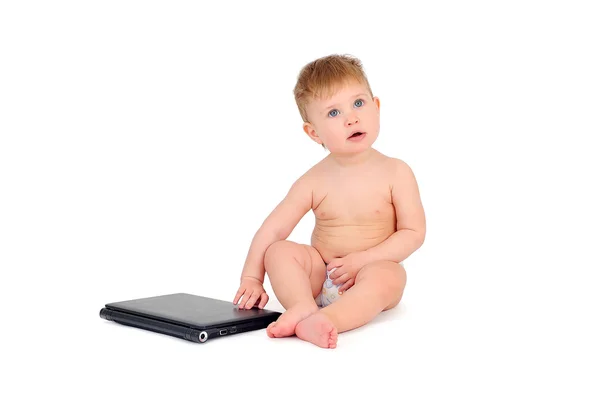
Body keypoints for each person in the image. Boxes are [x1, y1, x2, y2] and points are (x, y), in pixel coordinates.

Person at [233, 54, 426, 349]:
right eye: (333, 113)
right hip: (320, 273)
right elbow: (272, 229)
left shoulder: (396, 172)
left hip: (369, 271)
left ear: (376, 107)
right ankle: (302, 305)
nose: (351, 118)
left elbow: (414, 233)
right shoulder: (314, 180)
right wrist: (251, 277)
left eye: (358, 103)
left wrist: (364, 259)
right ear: (314, 132)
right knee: (278, 251)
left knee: (391, 275)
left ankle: (328, 320)